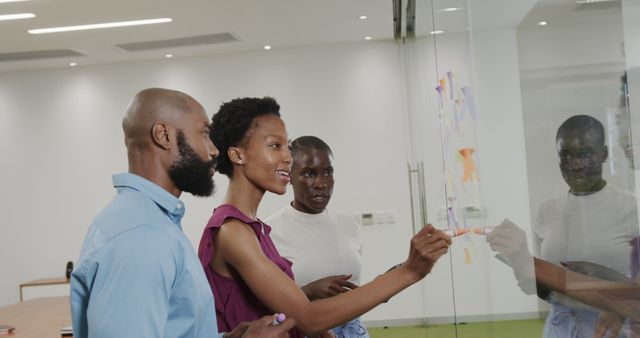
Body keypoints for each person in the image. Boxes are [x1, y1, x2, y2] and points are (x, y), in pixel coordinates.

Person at [198, 96, 451, 338]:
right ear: (237, 155)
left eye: (287, 146)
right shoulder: (233, 231)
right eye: (275, 146)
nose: (287, 158)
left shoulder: (254, 229)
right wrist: (410, 271)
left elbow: (282, 314)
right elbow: (308, 318)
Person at [70, 88, 294, 338]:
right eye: (204, 134)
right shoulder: (142, 237)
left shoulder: (150, 222)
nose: (214, 150)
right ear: (163, 135)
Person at [488, 115, 639, 338]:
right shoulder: (547, 212)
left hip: (614, 328)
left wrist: (605, 276)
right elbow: (537, 289)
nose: (575, 165)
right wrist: (518, 258)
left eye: (586, 154)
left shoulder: (632, 208)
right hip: (561, 328)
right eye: (566, 155)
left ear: (604, 154)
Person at [266, 136, 369, 338]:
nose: (320, 183)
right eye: (309, 173)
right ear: (290, 176)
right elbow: (266, 309)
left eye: (327, 172)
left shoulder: (349, 224)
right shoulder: (270, 231)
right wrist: (309, 291)